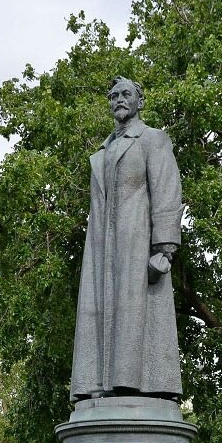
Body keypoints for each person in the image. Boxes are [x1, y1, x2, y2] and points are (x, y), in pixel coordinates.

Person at [69, 76, 184, 402]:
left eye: (126, 94)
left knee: (136, 314)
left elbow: (167, 190)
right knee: (98, 313)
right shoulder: (105, 149)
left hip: (136, 243)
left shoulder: (152, 139)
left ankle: (133, 385)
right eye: (114, 95)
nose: (119, 99)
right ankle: (97, 383)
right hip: (102, 248)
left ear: (139, 102)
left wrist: (165, 247)